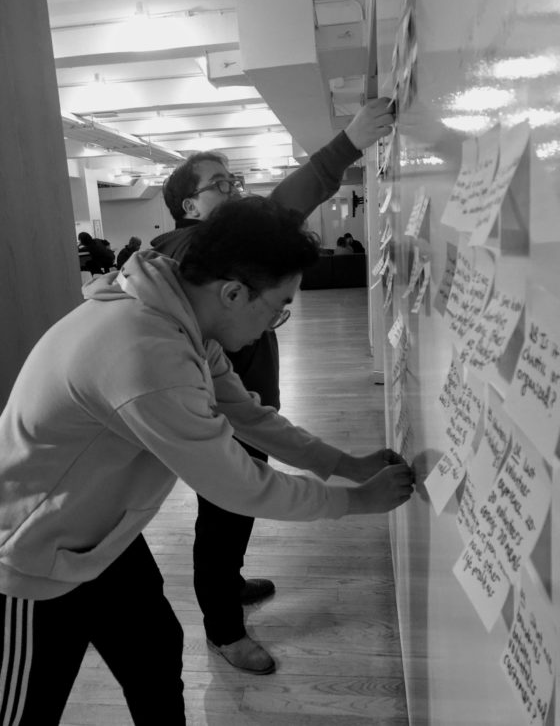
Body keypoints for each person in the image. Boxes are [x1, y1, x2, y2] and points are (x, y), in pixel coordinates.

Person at [0, 196, 414, 724]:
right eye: (278, 307)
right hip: (28, 554)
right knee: (27, 708)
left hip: (102, 537)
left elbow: (250, 416)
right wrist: (356, 502)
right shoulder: (148, 352)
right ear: (234, 292)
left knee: (154, 654)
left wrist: (347, 464)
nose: (274, 325)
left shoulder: (180, 319)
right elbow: (240, 485)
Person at [152, 97, 395, 674]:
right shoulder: (185, 252)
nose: (233, 191)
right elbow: (280, 208)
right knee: (225, 515)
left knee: (231, 520)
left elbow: (257, 418)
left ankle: (228, 585)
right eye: (219, 184)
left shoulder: (210, 284)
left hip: (243, 409)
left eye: (234, 180)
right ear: (189, 205)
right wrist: (348, 142)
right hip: (214, 421)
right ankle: (223, 630)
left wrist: (347, 466)